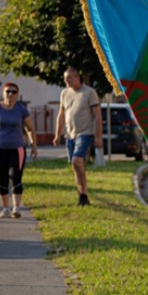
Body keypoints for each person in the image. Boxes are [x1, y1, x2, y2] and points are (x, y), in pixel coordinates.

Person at [0, 84, 37, 218]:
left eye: (14, 92)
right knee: (2, 178)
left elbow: (30, 128)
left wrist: (34, 146)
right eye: (8, 91)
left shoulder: (21, 109)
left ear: (17, 94)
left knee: (15, 176)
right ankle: (5, 209)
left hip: (17, 149)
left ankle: (16, 208)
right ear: (3, 93)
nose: (10, 94)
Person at [53, 68, 102, 206]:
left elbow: (97, 115)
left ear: (77, 77)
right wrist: (57, 134)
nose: (66, 81)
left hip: (85, 132)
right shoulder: (64, 93)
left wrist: (98, 136)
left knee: (76, 161)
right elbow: (61, 115)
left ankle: (83, 193)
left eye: (69, 78)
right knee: (76, 165)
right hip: (70, 134)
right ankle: (82, 194)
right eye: (65, 78)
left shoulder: (89, 92)